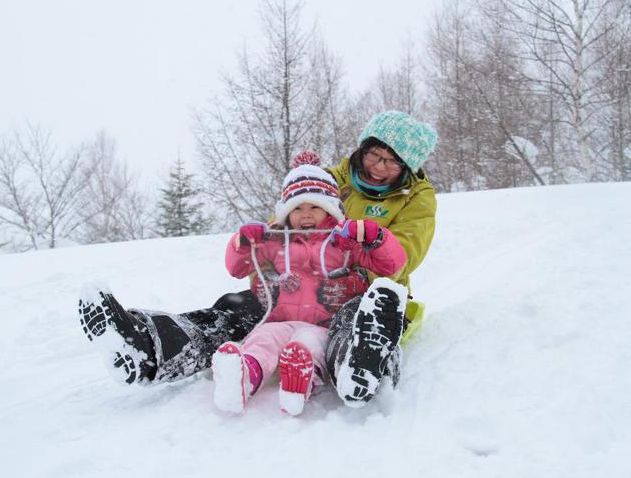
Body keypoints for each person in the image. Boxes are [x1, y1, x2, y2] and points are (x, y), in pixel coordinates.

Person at [78, 110, 437, 407]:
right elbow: (281, 230)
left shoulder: (416, 198)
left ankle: (359, 362)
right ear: (362, 149)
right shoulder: (330, 179)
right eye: (374, 155)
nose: (379, 166)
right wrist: (263, 261)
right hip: (295, 291)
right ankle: (146, 345)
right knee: (235, 311)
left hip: (361, 289)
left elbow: (404, 256)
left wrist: (366, 250)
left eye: (392, 163)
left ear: (406, 168)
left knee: (348, 321)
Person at [211, 152, 407, 415]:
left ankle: (300, 384)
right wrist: (242, 243)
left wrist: (375, 237)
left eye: (314, 207)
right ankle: (245, 376)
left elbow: (392, 265)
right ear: (285, 213)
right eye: (297, 209)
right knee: (262, 339)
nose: (305, 216)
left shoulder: (344, 242)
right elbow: (236, 268)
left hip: (323, 325)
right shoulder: (276, 241)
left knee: (307, 345)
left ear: (329, 208)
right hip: (280, 321)